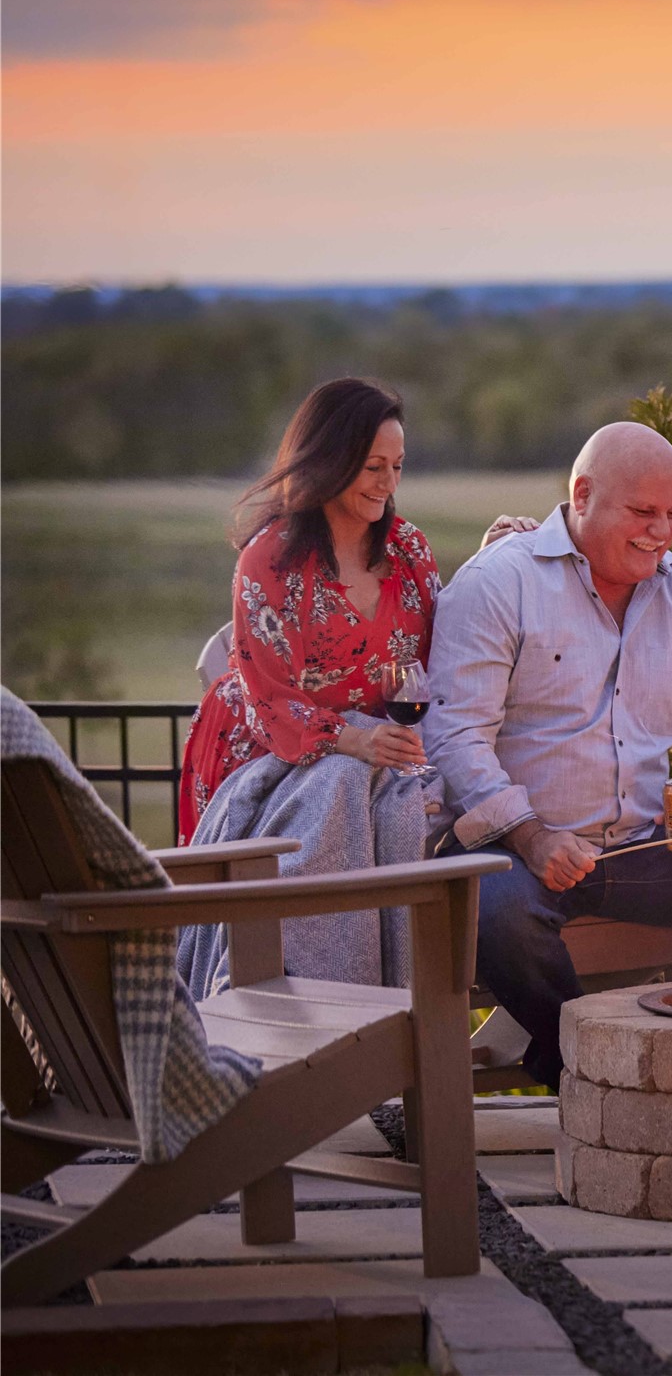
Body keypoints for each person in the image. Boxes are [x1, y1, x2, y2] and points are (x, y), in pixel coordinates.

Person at [426, 422, 672, 1087]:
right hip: (516, 851)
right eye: (642, 512)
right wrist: (531, 834)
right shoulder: (497, 583)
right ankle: (588, 1072)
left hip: (642, 850)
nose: (659, 531)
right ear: (581, 494)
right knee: (495, 907)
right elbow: (455, 737)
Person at [175, 378, 444, 990]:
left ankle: (388, 1004)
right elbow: (268, 696)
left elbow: (437, 655)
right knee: (343, 784)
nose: (387, 483)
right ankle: (300, 997)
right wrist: (352, 741)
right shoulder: (269, 559)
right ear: (330, 460)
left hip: (377, 747)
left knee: (400, 803)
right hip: (264, 746)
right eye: (372, 466)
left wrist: (496, 556)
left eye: (397, 466)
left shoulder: (410, 551)